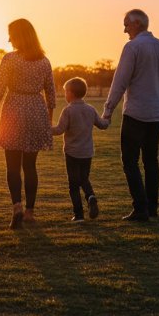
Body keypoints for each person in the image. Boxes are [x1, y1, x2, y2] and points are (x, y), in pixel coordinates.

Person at [102, 9, 159, 222]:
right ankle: (152, 207)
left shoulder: (132, 47)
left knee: (130, 161)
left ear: (137, 24)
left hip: (136, 113)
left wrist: (108, 111)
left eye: (126, 24)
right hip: (158, 114)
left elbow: (120, 82)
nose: (124, 29)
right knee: (150, 161)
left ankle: (140, 208)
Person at [0, 18, 56, 229]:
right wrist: (47, 120)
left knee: (12, 166)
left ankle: (17, 208)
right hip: (36, 111)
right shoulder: (44, 61)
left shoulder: (10, 59)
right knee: (30, 166)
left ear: (19, 35)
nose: (9, 38)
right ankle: (30, 212)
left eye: (11, 34)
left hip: (14, 109)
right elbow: (51, 93)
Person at [51, 77, 110, 222]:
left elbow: (59, 130)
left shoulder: (68, 111)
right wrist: (108, 117)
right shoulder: (90, 109)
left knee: (73, 185)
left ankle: (78, 215)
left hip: (72, 152)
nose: (65, 95)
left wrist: (46, 128)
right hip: (87, 152)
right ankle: (91, 197)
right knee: (84, 178)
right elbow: (102, 125)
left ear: (70, 93)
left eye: (65, 92)